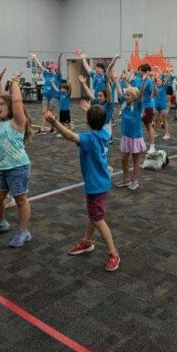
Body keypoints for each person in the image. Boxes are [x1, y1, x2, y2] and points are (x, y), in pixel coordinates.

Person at [44, 103, 121, 272]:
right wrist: (90, 111)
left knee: (98, 219)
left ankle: (113, 253)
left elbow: (71, 136)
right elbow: (98, 121)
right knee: (94, 214)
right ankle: (87, 241)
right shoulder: (104, 133)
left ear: (87, 122)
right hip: (101, 182)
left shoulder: (89, 139)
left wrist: (54, 123)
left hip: (96, 185)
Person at [0, 69, 34, 248]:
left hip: (18, 167)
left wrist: (15, 82)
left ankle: (24, 231)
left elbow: (17, 100)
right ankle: (0, 222)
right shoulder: (0, 122)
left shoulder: (17, 122)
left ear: (11, 108)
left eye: (2, 104)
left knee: (20, 200)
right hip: (2, 168)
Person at [114, 77, 146, 190]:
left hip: (135, 137)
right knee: (123, 158)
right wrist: (115, 80)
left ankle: (135, 180)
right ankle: (126, 179)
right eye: (126, 95)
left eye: (128, 95)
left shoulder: (137, 106)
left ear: (134, 97)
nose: (126, 97)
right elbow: (118, 90)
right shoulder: (124, 103)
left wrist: (143, 82)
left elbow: (141, 94)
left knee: (135, 159)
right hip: (125, 136)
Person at [30, 53, 62, 134]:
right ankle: (46, 128)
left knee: (49, 112)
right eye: (49, 68)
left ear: (54, 68)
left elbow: (59, 67)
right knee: (44, 112)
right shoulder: (47, 74)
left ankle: (48, 128)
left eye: (51, 68)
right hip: (46, 94)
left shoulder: (58, 76)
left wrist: (59, 59)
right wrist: (35, 58)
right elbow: (41, 66)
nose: (49, 69)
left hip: (54, 96)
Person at [131, 63, 157, 154]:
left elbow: (154, 94)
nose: (139, 72)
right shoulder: (138, 79)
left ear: (146, 72)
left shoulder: (149, 82)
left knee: (148, 126)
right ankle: (138, 144)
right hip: (137, 105)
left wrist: (153, 82)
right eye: (139, 70)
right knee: (137, 125)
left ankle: (152, 146)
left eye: (141, 70)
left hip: (147, 107)